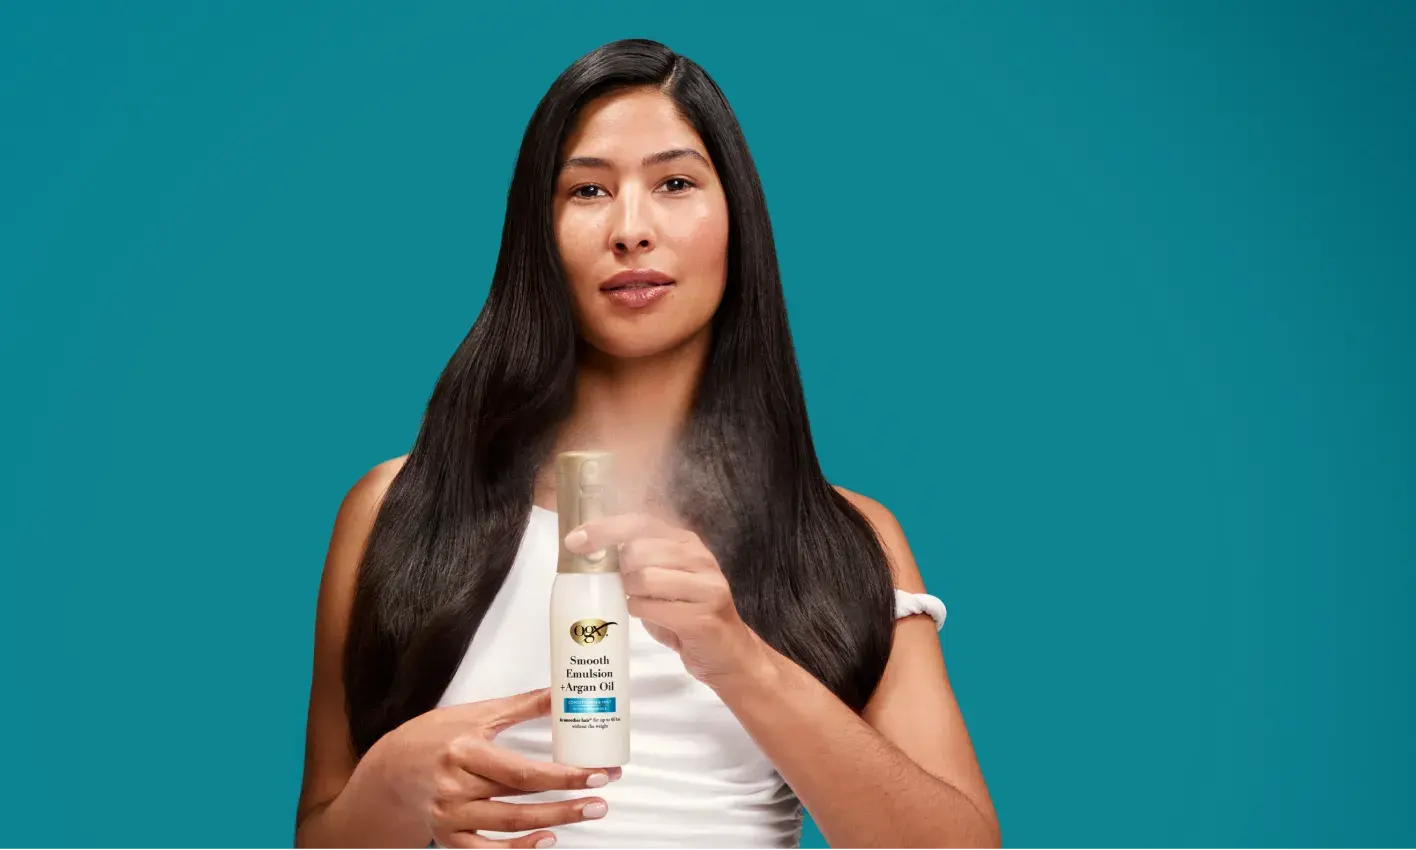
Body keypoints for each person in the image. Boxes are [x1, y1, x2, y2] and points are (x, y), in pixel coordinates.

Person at [293, 38, 999, 850]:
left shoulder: (843, 541)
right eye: (588, 189)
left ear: (737, 218)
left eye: (674, 183)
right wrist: (392, 784)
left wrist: (740, 658)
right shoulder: (398, 512)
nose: (632, 229)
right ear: (537, 232)